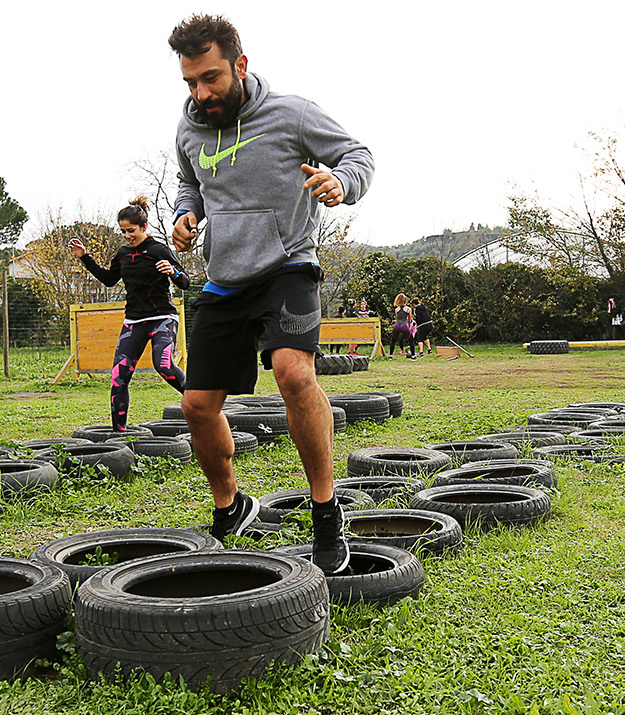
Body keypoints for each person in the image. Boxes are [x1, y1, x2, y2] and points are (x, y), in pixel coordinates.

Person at [166, 14, 373, 574]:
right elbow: (192, 184)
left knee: (294, 374)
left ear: (240, 64)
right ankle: (231, 506)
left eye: (210, 78)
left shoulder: (291, 114)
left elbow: (358, 156)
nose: (201, 93)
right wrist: (187, 215)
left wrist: (341, 182)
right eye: (190, 82)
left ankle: (326, 512)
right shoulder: (189, 127)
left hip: (288, 266)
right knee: (196, 405)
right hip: (223, 278)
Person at [71, 197, 190, 431]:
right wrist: (84, 257)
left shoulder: (159, 249)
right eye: (123, 231)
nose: (127, 236)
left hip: (162, 319)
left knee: (164, 366)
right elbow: (108, 279)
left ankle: (201, 402)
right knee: (118, 377)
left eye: (131, 231)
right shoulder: (123, 253)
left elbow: (185, 281)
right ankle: (119, 434)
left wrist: (173, 271)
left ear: (144, 227)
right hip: (134, 321)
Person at [389, 294, 417, 359]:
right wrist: (409, 327)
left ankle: (390, 356)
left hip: (397, 324)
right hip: (404, 324)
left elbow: (397, 317)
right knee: (411, 340)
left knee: (393, 340)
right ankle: (413, 356)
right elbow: (409, 319)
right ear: (405, 301)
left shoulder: (396, 309)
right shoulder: (408, 309)